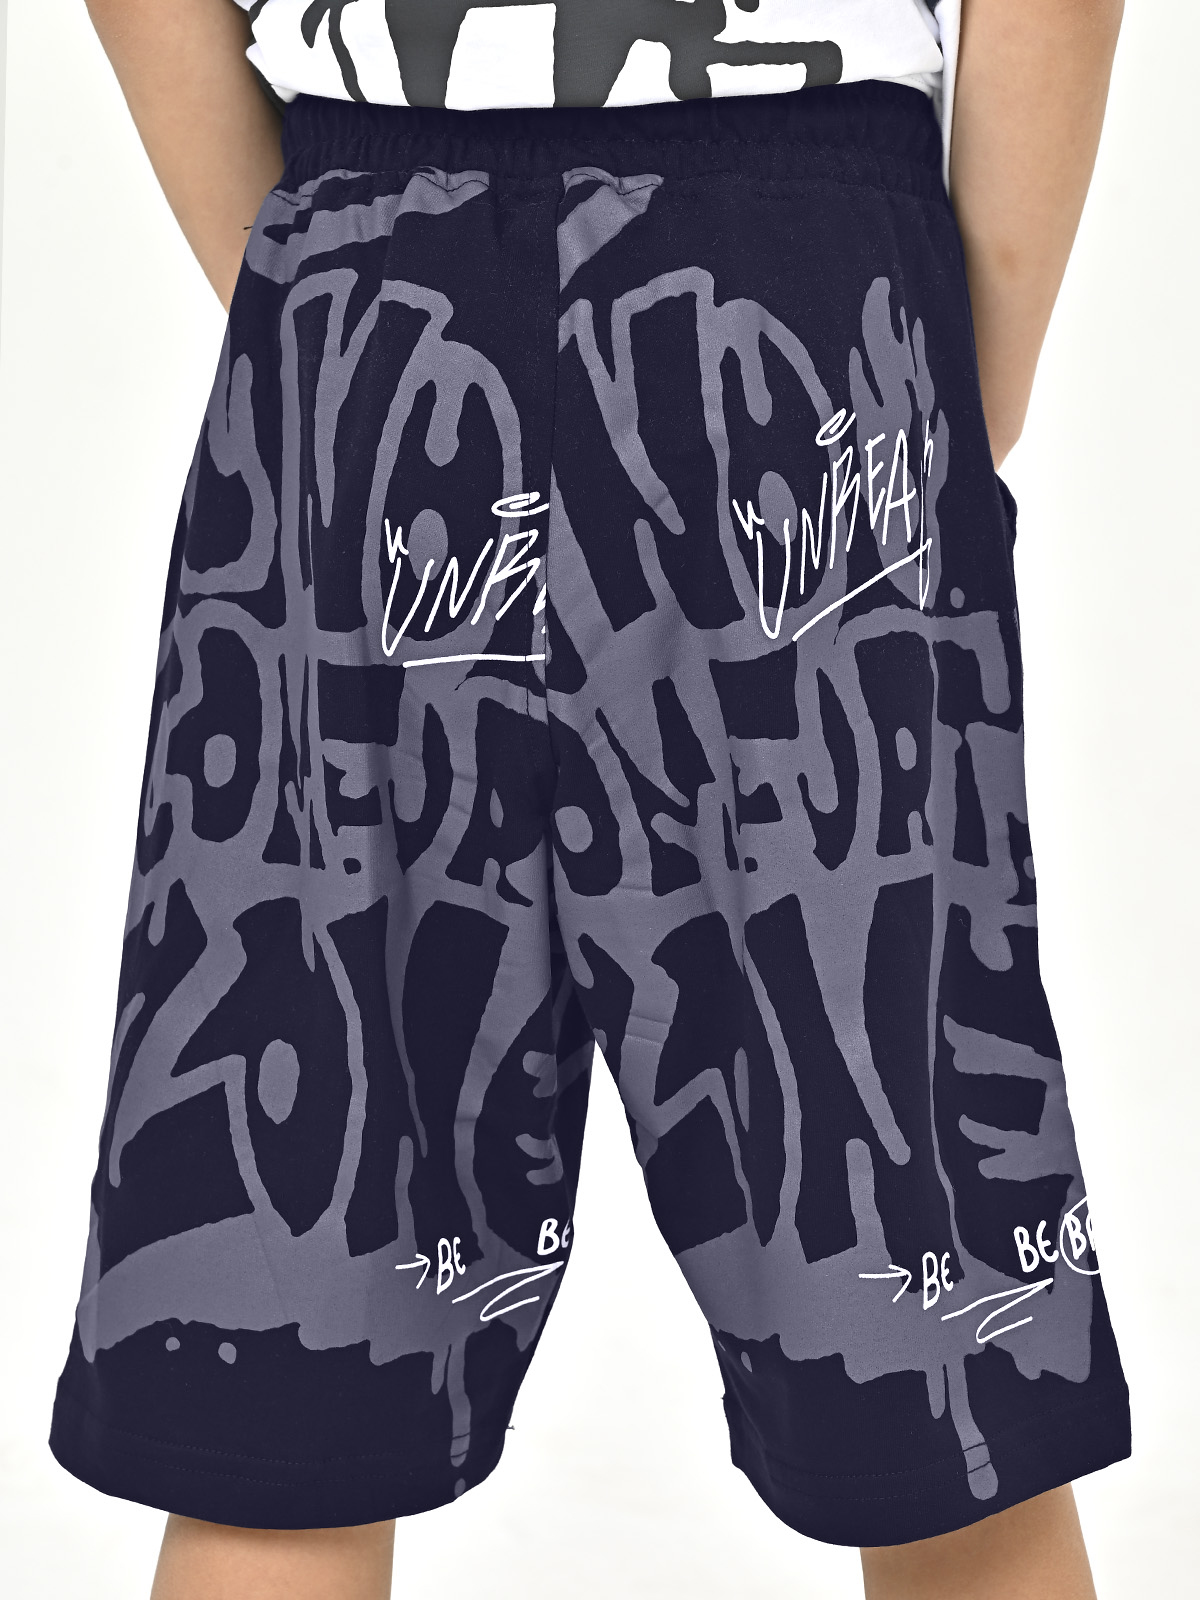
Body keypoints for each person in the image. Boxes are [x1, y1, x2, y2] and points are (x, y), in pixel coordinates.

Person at [49, 2, 1128, 1597]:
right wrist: (962, 386)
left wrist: (319, 306)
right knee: (938, 1355)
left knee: (280, 1369)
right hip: (806, 297)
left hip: (368, 283)